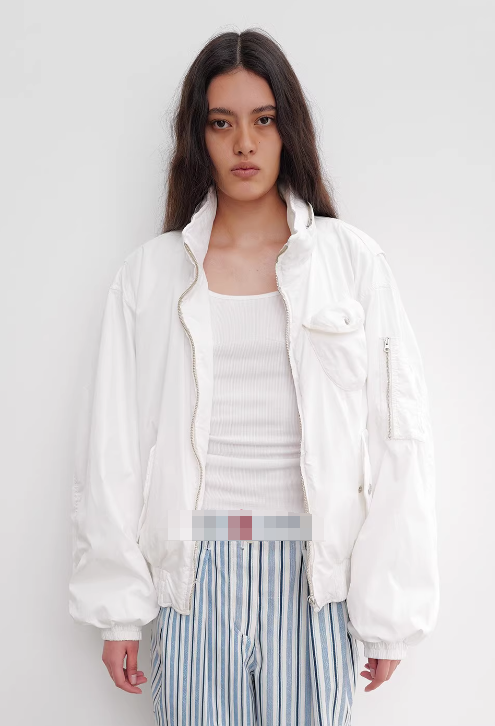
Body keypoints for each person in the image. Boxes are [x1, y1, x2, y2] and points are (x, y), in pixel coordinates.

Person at [69, 28, 439, 726]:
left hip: (312, 578)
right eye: (222, 123)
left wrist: (389, 613)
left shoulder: (350, 263)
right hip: (193, 576)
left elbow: (397, 436)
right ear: (198, 136)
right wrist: (117, 608)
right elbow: (112, 450)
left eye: (263, 120)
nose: (244, 143)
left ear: (287, 129)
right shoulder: (150, 277)